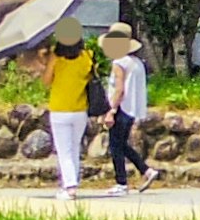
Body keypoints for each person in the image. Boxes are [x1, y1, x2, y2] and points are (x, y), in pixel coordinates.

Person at [39, 21, 101, 200]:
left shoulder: (56, 57)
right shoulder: (87, 56)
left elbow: (47, 80)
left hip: (60, 109)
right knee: (74, 148)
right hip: (80, 109)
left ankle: (70, 186)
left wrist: (46, 59)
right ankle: (71, 183)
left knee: (63, 150)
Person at [101, 23, 156, 196]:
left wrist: (111, 110)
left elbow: (119, 89)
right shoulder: (137, 63)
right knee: (122, 144)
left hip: (121, 108)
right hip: (132, 109)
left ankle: (121, 183)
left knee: (115, 146)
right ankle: (146, 170)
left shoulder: (119, 63)